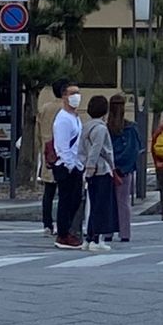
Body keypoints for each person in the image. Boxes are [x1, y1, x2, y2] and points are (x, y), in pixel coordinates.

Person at [79, 95, 117, 252]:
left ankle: (88, 239)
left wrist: (85, 166)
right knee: (101, 206)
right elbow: (98, 149)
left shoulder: (86, 127)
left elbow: (82, 149)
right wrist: (92, 166)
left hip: (89, 170)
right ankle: (96, 239)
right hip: (101, 169)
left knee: (93, 205)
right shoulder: (101, 128)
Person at [52, 82, 85, 250]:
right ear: (64, 96)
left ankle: (70, 232)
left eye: (78, 92)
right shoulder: (63, 119)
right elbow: (62, 145)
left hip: (76, 165)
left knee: (74, 201)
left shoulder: (75, 117)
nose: (76, 96)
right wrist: (70, 165)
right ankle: (63, 234)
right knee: (66, 201)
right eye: (72, 93)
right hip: (66, 166)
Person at [106, 93, 141, 243]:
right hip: (125, 171)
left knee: (109, 201)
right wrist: (123, 167)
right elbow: (135, 150)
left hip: (108, 169)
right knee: (123, 202)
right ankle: (125, 233)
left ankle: (108, 231)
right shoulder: (130, 128)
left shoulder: (106, 127)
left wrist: (112, 165)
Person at [38, 78, 69, 236]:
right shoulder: (66, 109)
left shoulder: (45, 108)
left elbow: (38, 130)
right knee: (64, 193)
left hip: (47, 152)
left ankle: (47, 225)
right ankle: (63, 224)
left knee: (48, 192)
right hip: (63, 154)